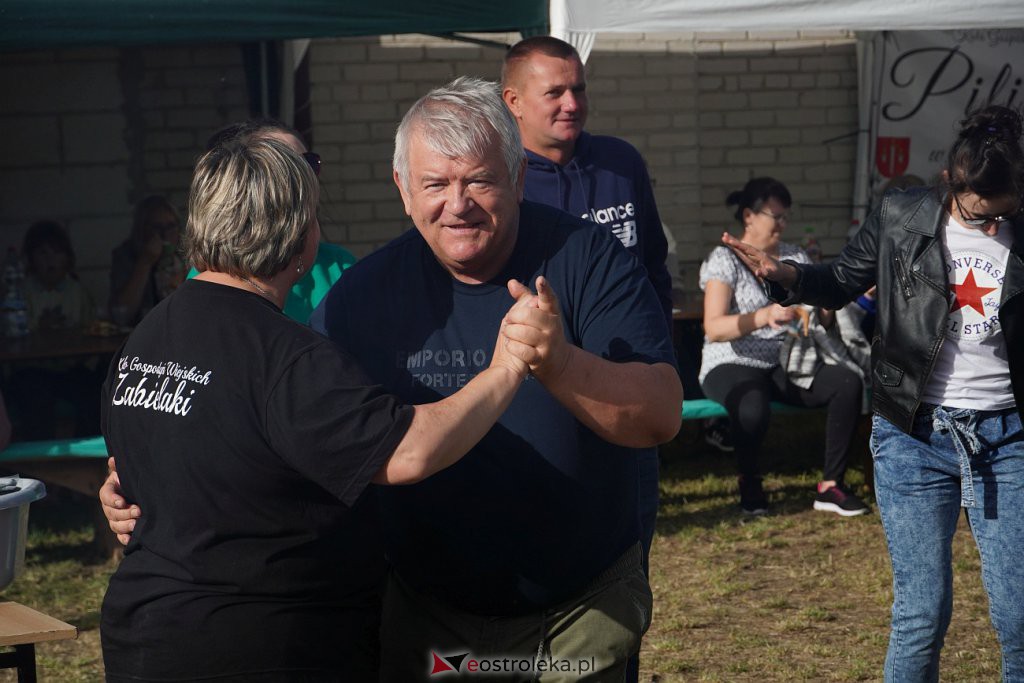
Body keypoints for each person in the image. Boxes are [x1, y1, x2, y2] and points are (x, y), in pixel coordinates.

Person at [99, 135, 536, 682]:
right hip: (263, 649)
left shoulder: (147, 338)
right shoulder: (284, 356)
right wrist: (507, 367)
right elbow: (409, 451)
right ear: (298, 236)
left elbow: (146, 464)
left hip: (145, 639)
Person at [314, 76, 681, 680]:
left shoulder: (587, 260)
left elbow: (661, 414)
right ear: (403, 189)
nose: (456, 205)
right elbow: (294, 417)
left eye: (478, 181)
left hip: (580, 610)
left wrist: (559, 362)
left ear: (516, 180)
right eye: (434, 184)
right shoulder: (362, 296)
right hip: (432, 612)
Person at [724, 105, 1024, 681]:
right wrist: (785, 275)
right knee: (921, 614)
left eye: (1000, 217)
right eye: (976, 215)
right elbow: (838, 281)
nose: (989, 229)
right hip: (914, 432)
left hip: (1006, 437)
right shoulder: (901, 214)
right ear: (950, 183)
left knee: (1016, 616)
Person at [501, 47, 671, 671]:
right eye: (554, 93)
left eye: (578, 89)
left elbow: (653, 259)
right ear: (513, 102)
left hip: (623, 395)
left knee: (623, 570)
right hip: (538, 405)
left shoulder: (620, 163)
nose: (572, 103)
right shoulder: (501, 180)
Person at [700, 177, 868, 516]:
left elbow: (822, 322)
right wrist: (763, 316)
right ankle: (750, 483)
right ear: (749, 216)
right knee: (752, 403)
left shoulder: (794, 256)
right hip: (731, 361)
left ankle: (831, 486)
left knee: (847, 382)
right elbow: (713, 327)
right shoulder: (724, 259)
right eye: (775, 216)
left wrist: (828, 306)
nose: (782, 224)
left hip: (788, 359)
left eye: (785, 217)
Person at [197, 118, 358, 324]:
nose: (301, 178)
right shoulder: (214, 270)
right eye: (281, 166)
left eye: (307, 163)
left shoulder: (338, 266)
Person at [8, 220, 101, 439]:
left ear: (67, 257)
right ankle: (37, 457)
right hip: (32, 368)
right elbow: (16, 334)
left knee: (91, 392)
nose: (50, 260)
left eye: (56, 253)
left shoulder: (76, 290)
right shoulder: (23, 292)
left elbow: (90, 328)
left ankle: (87, 452)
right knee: (34, 396)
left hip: (68, 368)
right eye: (42, 253)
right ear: (31, 259)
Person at [108, 195, 187, 325]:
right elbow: (121, 314)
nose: (165, 234)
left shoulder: (185, 258)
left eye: (171, 226)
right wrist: (145, 263)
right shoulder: (125, 256)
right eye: (157, 227)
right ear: (142, 230)